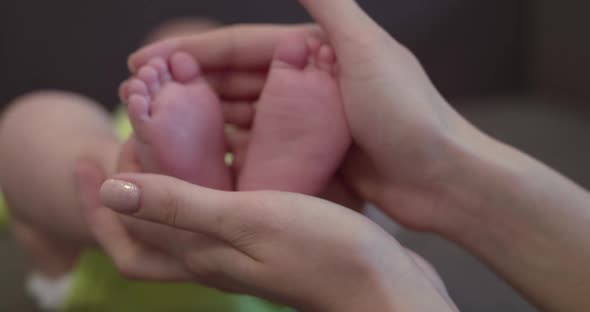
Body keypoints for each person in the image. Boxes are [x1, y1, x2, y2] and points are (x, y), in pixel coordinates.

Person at [82, 0, 590, 311]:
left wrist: (374, 288)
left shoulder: (125, 124)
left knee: (46, 127)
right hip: (297, 269)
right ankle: (271, 194)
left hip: (134, 255)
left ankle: (212, 189)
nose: (181, 64)